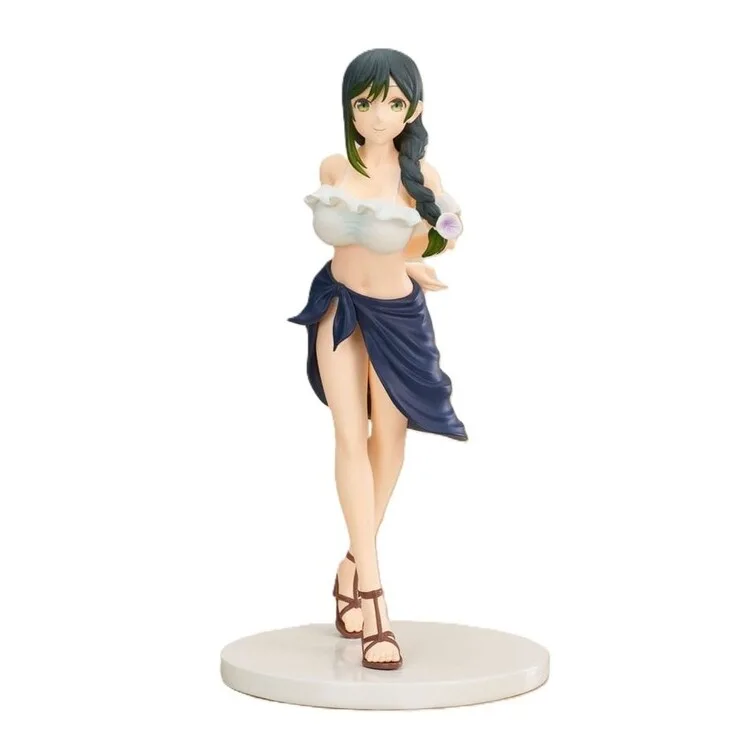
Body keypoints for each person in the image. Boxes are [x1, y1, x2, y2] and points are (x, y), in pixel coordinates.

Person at [288, 48, 467, 670]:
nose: (378, 115)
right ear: (349, 107)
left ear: (413, 109)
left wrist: (416, 256)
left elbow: (435, 240)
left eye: (393, 102)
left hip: (397, 316)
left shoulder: (424, 179)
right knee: (349, 436)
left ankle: (349, 563)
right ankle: (372, 594)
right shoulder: (334, 167)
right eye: (365, 102)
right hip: (339, 308)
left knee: (388, 440)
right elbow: (350, 241)